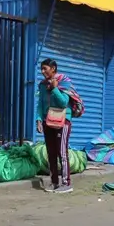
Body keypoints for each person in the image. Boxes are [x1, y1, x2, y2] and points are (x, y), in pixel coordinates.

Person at [36, 58, 74, 193]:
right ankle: (54, 183)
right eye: (41, 69)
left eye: (45, 68)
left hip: (63, 121)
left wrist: (54, 88)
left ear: (53, 69)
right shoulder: (42, 85)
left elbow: (63, 103)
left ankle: (66, 183)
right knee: (51, 152)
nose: (42, 71)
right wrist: (39, 119)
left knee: (62, 152)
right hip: (48, 121)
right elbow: (41, 103)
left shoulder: (64, 81)